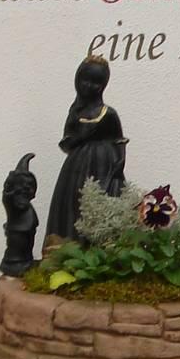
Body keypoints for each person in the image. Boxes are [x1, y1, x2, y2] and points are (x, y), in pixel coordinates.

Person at [44, 55, 128, 240]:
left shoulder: (108, 113)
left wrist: (119, 165)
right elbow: (66, 143)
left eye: (96, 82)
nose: (89, 86)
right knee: (75, 205)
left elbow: (119, 141)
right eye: (85, 80)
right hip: (77, 169)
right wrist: (81, 137)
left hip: (105, 168)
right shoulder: (75, 113)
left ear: (103, 85)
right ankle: (70, 244)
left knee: (102, 205)